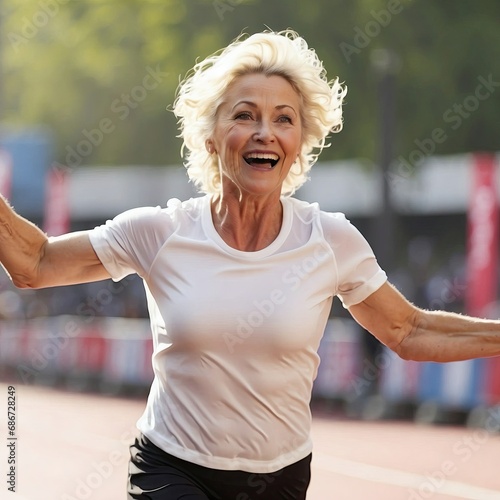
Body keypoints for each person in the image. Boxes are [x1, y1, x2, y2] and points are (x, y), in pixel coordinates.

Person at [1, 29, 500, 500]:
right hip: (170, 465)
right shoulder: (160, 232)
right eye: (244, 115)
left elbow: (408, 331)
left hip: (280, 476)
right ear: (212, 137)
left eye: (284, 119)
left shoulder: (330, 240)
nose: (265, 132)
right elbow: (36, 262)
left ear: (300, 142)